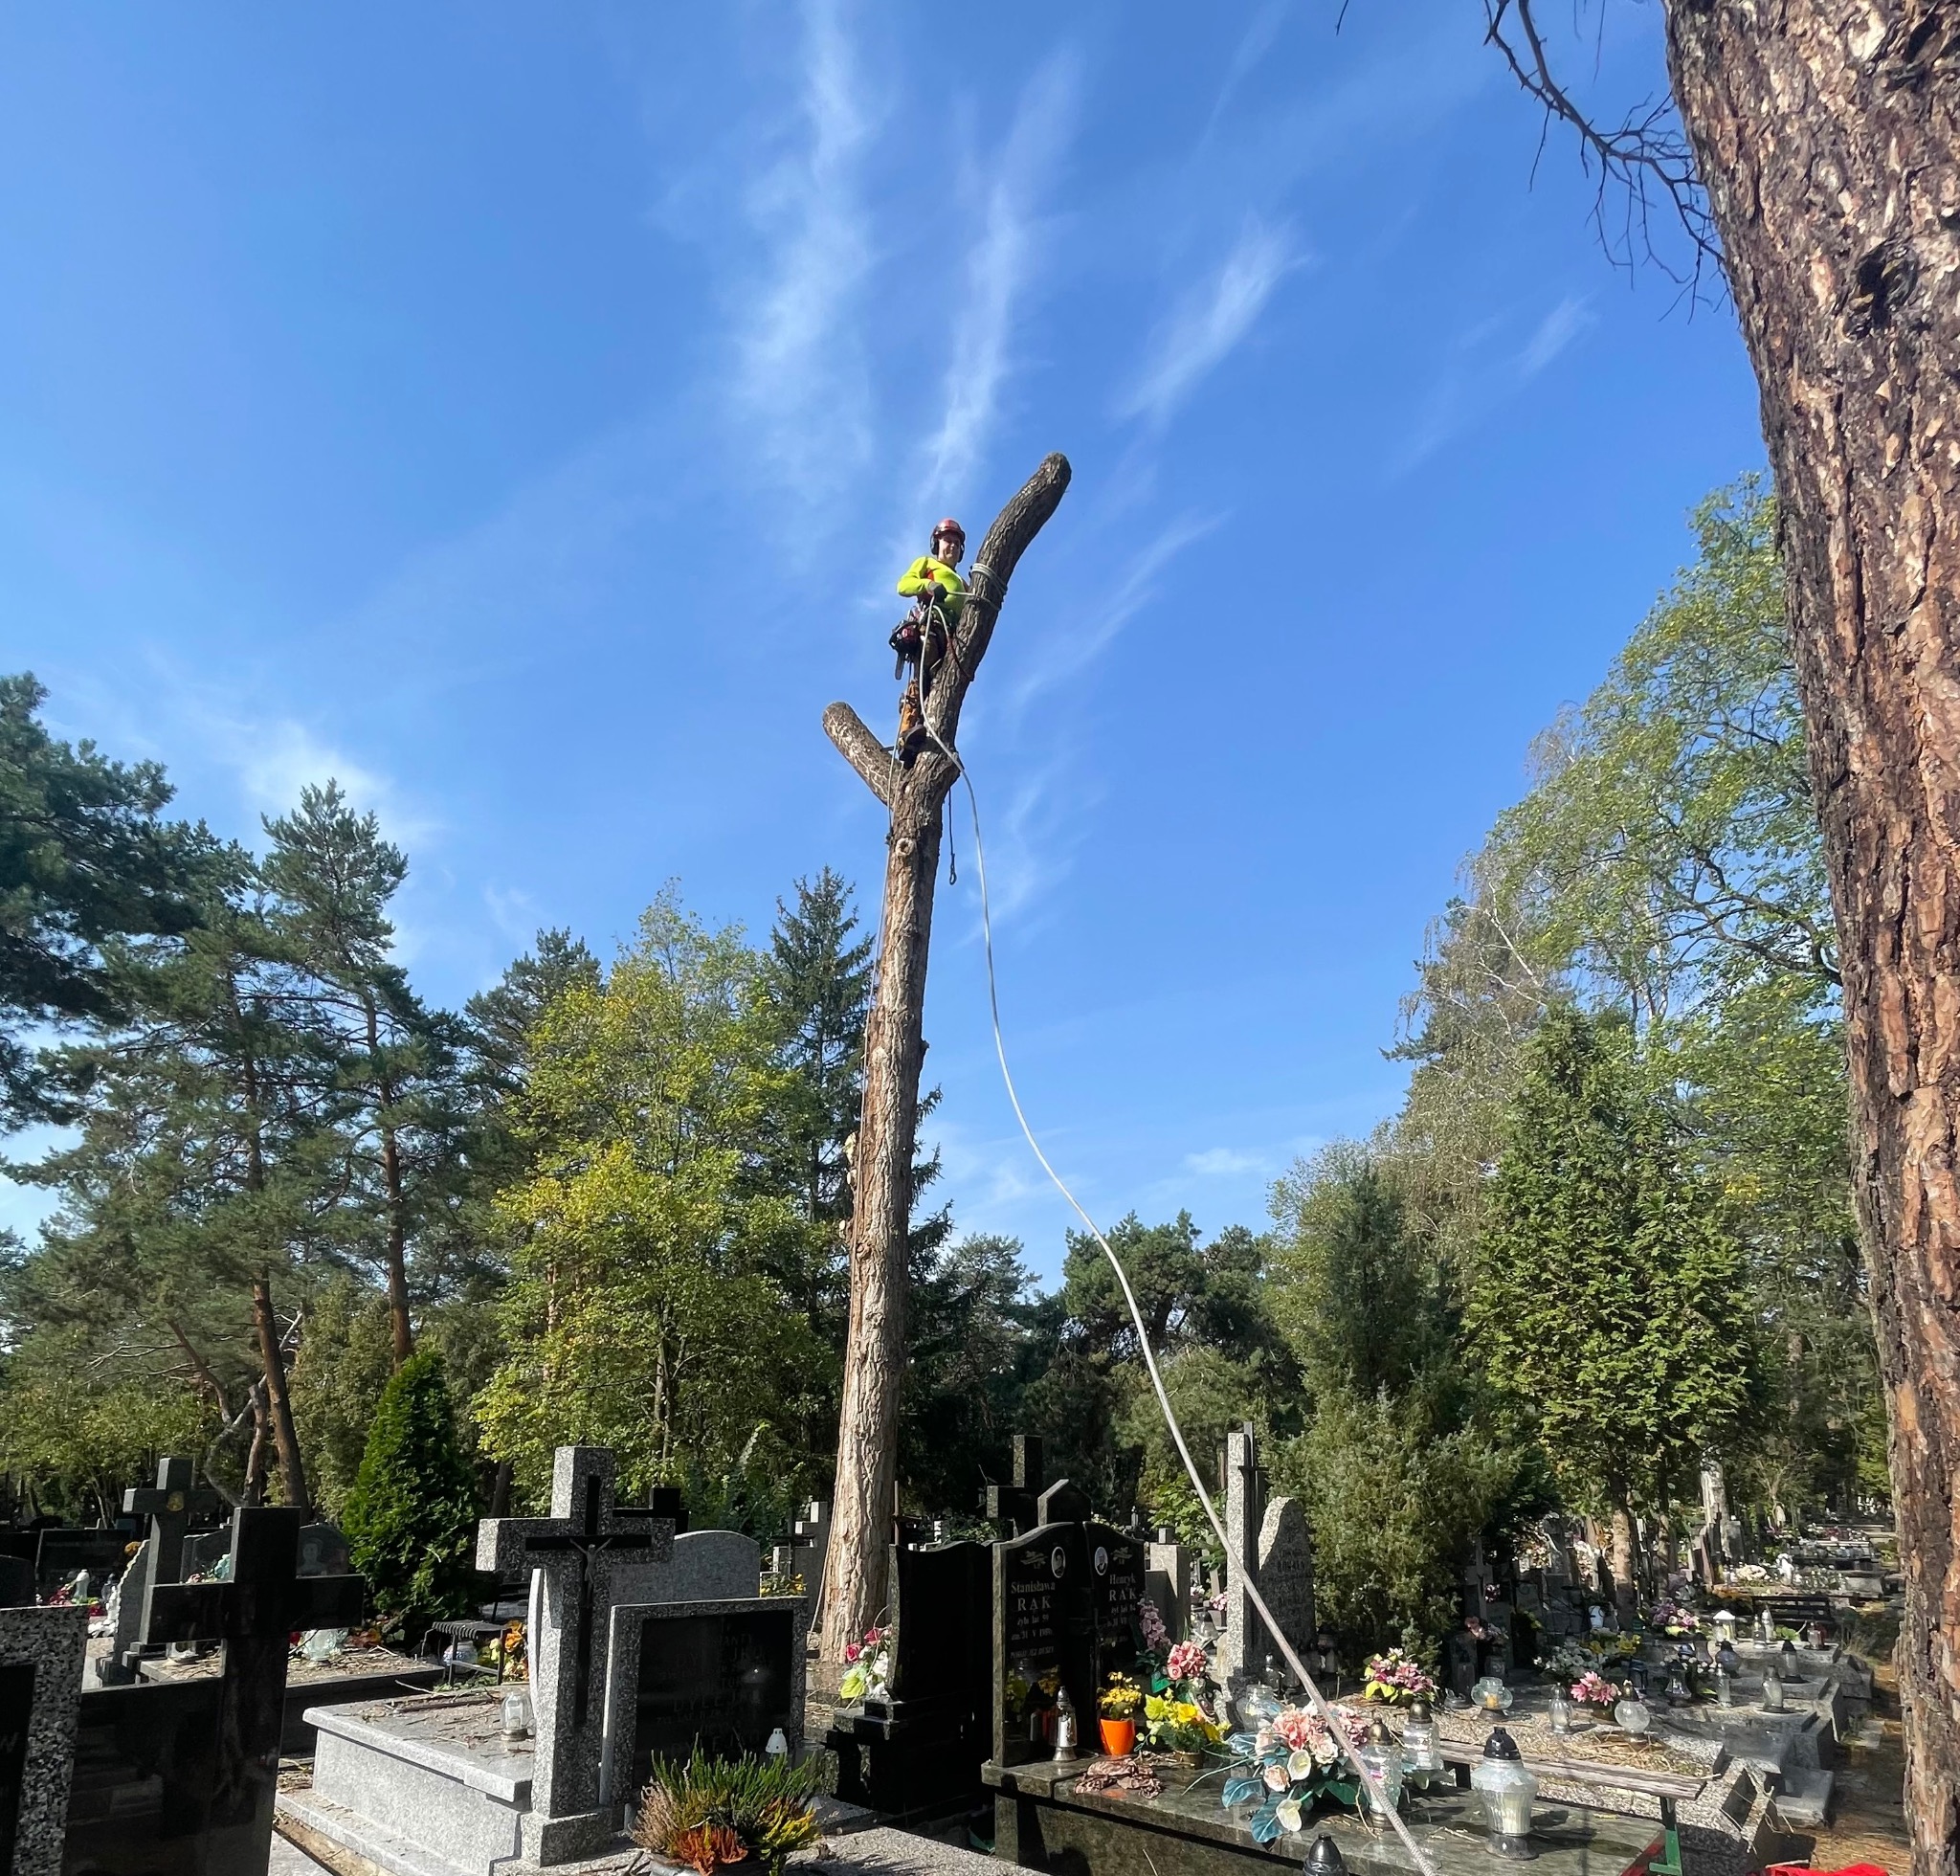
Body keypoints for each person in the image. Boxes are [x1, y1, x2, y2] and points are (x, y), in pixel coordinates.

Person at [890, 518, 966, 763]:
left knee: (942, 681)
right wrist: (929, 585)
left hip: (953, 638)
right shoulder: (927, 563)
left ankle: (928, 729)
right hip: (931, 625)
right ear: (937, 543)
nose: (952, 546)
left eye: (956, 543)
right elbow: (904, 585)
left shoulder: (964, 584)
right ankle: (908, 731)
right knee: (924, 671)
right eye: (947, 541)